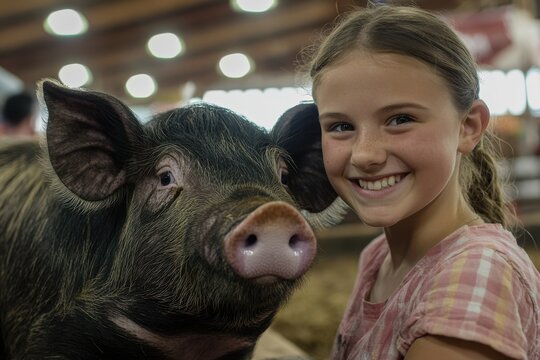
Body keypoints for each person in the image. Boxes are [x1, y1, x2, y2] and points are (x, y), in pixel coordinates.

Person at [303, 4, 540, 359]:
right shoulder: (378, 257)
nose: (365, 154)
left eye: (400, 119)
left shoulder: (475, 273)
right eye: (341, 126)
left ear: (469, 126)